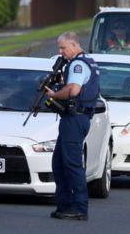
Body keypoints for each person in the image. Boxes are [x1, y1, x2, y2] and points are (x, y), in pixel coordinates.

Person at [45, 31, 100, 221]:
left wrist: (54, 94)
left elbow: (73, 90)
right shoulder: (87, 62)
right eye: (59, 48)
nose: (61, 52)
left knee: (72, 164)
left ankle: (79, 207)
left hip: (75, 119)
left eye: (63, 48)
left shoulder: (77, 64)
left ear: (75, 45)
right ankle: (65, 205)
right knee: (59, 163)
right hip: (76, 118)